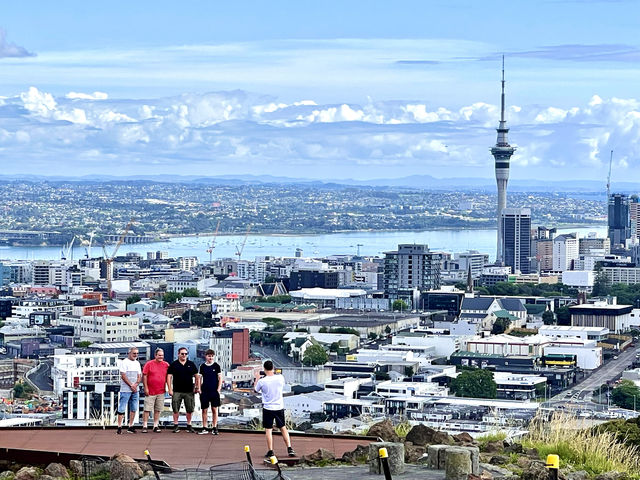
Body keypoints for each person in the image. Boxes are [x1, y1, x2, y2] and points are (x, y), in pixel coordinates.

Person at [254, 360, 296, 458]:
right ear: (273, 368)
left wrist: (257, 378)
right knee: (283, 428)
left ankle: (271, 451)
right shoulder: (280, 378)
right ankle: (289, 448)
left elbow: (255, 390)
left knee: (268, 430)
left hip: (268, 407)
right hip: (279, 407)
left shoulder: (262, 381)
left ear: (264, 369)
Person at [167, 347, 200, 433]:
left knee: (189, 409)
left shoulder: (191, 364)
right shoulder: (174, 364)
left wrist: (196, 387)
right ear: (178, 354)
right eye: (182, 354)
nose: (184, 355)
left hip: (189, 391)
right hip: (177, 390)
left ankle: (189, 425)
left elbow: (197, 376)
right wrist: (170, 389)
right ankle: (176, 425)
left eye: (186, 354)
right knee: (175, 408)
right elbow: (169, 377)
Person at [141, 348, 169, 433]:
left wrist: (169, 388)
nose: (161, 357)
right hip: (150, 391)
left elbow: (169, 377)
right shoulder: (149, 364)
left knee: (158, 409)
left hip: (161, 391)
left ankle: (155, 425)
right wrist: (145, 388)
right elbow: (144, 376)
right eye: (159, 355)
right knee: (147, 409)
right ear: (155, 355)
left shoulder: (166, 365)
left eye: (162, 355)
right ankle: (145, 425)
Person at [117, 347, 142, 434]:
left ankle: (130, 425)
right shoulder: (124, 362)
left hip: (135, 389)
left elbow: (139, 376)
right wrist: (131, 385)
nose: (136, 355)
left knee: (134, 408)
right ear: (129, 353)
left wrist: (136, 384)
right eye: (134, 353)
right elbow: (123, 375)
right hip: (125, 389)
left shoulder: (137, 363)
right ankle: (119, 426)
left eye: (137, 353)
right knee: (122, 407)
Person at [198, 349, 222, 435]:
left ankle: (214, 427)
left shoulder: (216, 366)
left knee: (214, 409)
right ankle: (204, 427)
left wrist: (218, 389)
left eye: (212, 356)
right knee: (204, 409)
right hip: (205, 391)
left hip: (214, 391)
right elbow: (199, 378)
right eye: (209, 356)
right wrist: (199, 389)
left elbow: (220, 378)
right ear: (206, 356)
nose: (210, 358)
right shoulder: (202, 366)